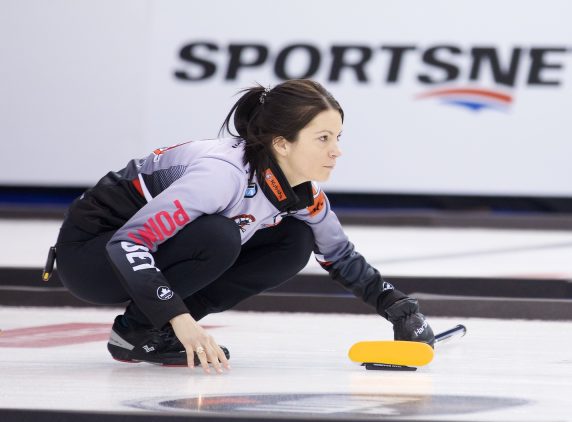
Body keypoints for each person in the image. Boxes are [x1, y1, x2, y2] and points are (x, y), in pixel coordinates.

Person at [52, 79, 435, 374]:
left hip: (138, 253)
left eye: (337, 137)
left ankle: (153, 332)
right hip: (92, 254)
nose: (337, 150)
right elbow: (129, 244)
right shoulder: (221, 176)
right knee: (217, 236)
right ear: (282, 144)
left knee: (294, 242)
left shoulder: (301, 192)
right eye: (323, 138)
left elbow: (339, 255)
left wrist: (397, 306)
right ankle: (136, 332)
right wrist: (181, 320)